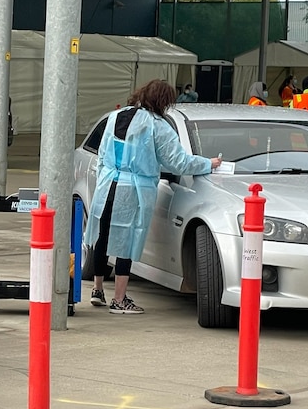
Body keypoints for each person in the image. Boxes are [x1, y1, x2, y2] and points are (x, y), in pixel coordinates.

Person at [85, 80, 221, 314]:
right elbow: (178, 162)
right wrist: (208, 163)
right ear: (164, 102)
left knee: (103, 237)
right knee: (127, 242)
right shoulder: (158, 126)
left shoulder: (116, 116)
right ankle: (119, 300)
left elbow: (103, 152)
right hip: (132, 191)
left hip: (107, 185)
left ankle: (97, 290)